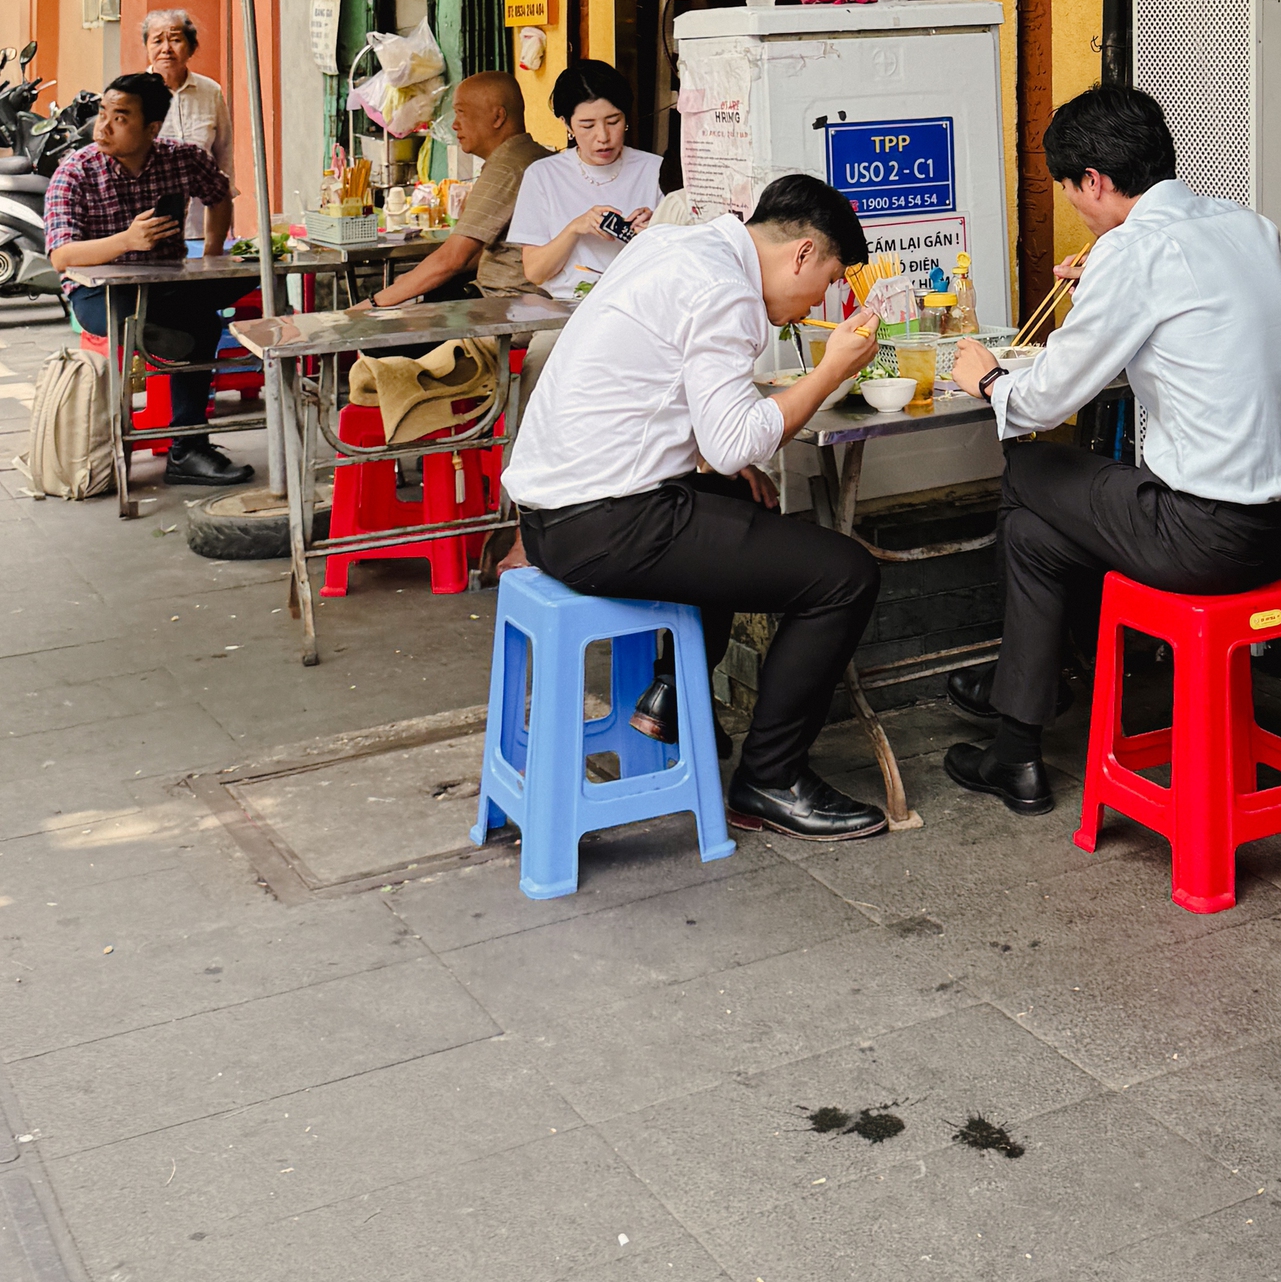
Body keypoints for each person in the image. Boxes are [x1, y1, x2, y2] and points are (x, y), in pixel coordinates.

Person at [946, 85, 1281, 817]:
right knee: (1034, 536)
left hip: (1206, 537)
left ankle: (1037, 692)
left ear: (1094, 181)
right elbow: (1202, 340)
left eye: (1070, 192)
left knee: (1026, 469)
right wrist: (1104, 290)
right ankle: (1016, 740)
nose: (1077, 212)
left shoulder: (1134, 249)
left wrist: (985, 376)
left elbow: (1041, 403)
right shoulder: (1248, 226)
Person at [505, 172, 889, 841]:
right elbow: (733, 436)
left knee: (737, 495)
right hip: (604, 525)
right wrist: (831, 371)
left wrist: (732, 459)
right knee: (845, 576)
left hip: (550, 515)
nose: (820, 299)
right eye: (828, 278)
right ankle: (770, 779)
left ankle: (672, 694)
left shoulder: (674, 248)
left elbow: (694, 419)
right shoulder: (726, 292)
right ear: (800, 253)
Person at [45, 70, 255, 488]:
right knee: (176, 321)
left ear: (152, 128)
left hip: (167, 283)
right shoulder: (76, 171)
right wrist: (126, 240)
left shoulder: (182, 158)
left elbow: (218, 195)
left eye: (120, 117)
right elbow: (61, 256)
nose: (102, 126)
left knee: (243, 282)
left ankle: (186, 448)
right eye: (103, 112)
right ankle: (173, 436)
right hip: (99, 295)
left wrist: (213, 253)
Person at [366, 73, 551, 307]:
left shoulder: (508, 167)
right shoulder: (528, 156)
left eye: (461, 112)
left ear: (497, 116)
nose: (455, 124)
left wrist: (372, 306)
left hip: (506, 304)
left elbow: (453, 259)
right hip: (514, 300)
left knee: (393, 331)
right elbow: (474, 255)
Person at [512, 58, 661, 300]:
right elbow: (536, 272)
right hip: (568, 311)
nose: (603, 136)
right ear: (566, 124)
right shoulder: (543, 176)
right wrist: (574, 229)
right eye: (587, 125)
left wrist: (658, 231)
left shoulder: (654, 170)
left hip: (641, 305)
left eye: (613, 121)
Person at [142, 8, 230, 251]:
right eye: (157, 41)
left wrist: (223, 211)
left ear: (191, 47)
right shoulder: (135, 94)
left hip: (204, 225)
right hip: (151, 227)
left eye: (175, 39)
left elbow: (223, 153)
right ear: (147, 47)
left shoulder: (210, 91)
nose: (166, 48)